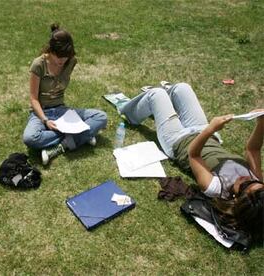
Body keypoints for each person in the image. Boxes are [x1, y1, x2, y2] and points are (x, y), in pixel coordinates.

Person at [120, 82, 263, 242]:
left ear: (237, 199)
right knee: (182, 88)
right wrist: (261, 122)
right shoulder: (257, 182)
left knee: (156, 94)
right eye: (254, 182)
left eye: (244, 185)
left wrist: (210, 129)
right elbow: (253, 150)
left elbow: (193, 155)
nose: (248, 180)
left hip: (178, 140)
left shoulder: (216, 187)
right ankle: (167, 102)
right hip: (203, 132)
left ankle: (128, 112)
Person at [22, 24, 107, 165]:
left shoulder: (71, 61)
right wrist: (45, 120)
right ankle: (81, 136)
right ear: (51, 50)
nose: (62, 62)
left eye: (65, 58)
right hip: (41, 112)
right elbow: (33, 98)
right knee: (30, 138)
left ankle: (64, 144)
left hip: (61, 110)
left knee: (101, 117)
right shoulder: (38, 64)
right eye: (59, 58)